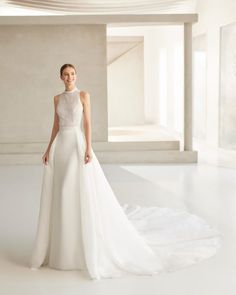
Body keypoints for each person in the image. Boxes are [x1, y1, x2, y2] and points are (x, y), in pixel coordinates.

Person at [29, 63, 222, 280]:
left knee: (71, 190)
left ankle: (81, 247)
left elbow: (88, 122)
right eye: (66, 75)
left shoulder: (83, 95)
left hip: (76, 143)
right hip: (61, 147)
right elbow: (55, 125)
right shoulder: (56, 99)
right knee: (63, 194)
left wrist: (88, 147)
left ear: (76, 76)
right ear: (60, 77)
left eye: (73, 74)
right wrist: (48, 150)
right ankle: (64, 248)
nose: (70, 77)